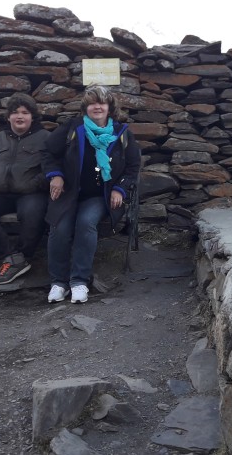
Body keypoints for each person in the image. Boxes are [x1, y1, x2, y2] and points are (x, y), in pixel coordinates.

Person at [43, 85, 141, 303]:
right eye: (92, 103)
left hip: (101, 195)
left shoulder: (121, 133)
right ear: (86, 107)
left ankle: (79, 281)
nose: (97, 107)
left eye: (102, 103)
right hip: (69, 193)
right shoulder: (73, 128)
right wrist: (55, 175)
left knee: (86, 222)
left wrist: (120, 188)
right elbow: (49, 152)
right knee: (59, 226)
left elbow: (133, 167)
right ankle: (58, 282)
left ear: (109, 107)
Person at [0, 94, 50, 285]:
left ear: (32, 117)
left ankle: (25, 254)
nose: (19, 117)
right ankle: (12, 257)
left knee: (32, 213)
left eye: (24, 113)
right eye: (15, 113)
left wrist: (34, 184)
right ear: (8, 117)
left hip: (31, 193)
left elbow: (50, 168)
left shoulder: (45, 138)